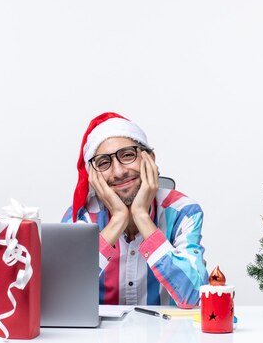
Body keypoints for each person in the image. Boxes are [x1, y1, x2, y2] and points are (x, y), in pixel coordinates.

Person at [62, 112, 209, 307]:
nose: (119, 172)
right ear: (93, 176)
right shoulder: (82, 217)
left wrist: (141, 216)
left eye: (128, 155)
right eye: (104, 163)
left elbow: (196, 297)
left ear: (150, 159)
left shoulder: (183, 212)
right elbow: (62, 294)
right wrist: (118, 219)